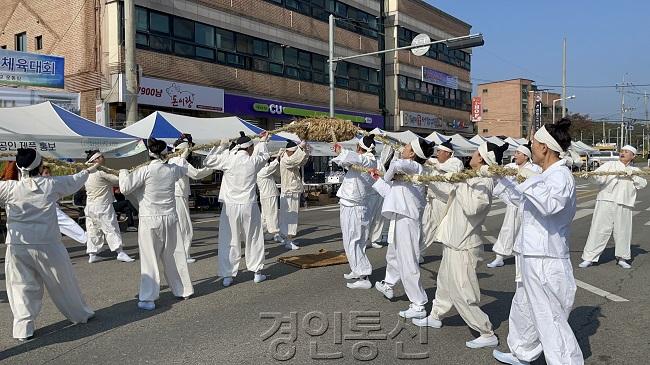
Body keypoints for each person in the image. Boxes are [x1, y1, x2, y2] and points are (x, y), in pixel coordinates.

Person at [492, 119, 584, 365]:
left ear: (545, 147)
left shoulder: (560, 176)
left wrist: (528, 180)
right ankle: (523, 351)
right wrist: (500, 178)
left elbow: (550, 205)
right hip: (531, 253)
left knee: (549, 316)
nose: (530, 147)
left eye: (533, 143)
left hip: (547, 257)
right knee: (524, 305)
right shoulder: (544, 175)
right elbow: (524, 202)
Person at [413, 142, 508, 350]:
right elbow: (449, 192)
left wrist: (461, 182)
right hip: (453, 240)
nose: (470, 156)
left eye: (474, 153)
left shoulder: (484, 180)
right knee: (444, 282)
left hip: (465, 244)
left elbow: (474, 208)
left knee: (463, 291)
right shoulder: (471, 177)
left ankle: (485, 331)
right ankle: (436, 315)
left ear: (481, 158)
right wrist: (430, 171)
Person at [2, 148, 96, 340]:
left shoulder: (9, 188)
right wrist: (89, 169)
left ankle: (23, 329)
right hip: (48, 244)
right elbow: (75, 180)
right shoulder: (50, 184)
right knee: (63, 283)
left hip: (18, 246)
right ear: (39, 166)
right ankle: (80, 314)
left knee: (20, 287)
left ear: (19, 167)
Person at [119, 138, 194, 310]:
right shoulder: (172, 169)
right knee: (175, 255)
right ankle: (184, 290)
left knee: (150, 259)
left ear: (150, 153)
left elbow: (124, 188)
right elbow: (183, 168)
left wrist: (123, 172)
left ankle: (148, 298)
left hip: (150, 219)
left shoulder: (145, 170)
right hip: (169, 218)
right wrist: (186, 151)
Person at [371, 137, 435, 319]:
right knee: (393, 254)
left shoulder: (417, 169)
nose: (403, 148)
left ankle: (418, 303)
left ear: (413, 153)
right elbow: (391, 193)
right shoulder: (407, 173)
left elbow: (398, 165)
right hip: (400, 218)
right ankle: (389, 284)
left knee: (408, 261)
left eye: (406, 147)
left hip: (408, 220)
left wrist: (388, 174)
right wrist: (377, 179)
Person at [203, 131, 270, 287]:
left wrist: (221, 147)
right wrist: (264, 141)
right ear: (249, 148)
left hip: (230, 206)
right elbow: (265, 156)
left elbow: (207, 162)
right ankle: (257, 272)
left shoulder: (228, 159)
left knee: (229, 239)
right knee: (253, 237)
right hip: (249, 205)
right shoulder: (253, 161)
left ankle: (228, 275)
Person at [580, 145, 647, 269]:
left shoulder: (635, 169)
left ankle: (622, 258)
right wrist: (590, 175)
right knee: (598, 229)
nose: (623, 153)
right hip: (606, 200)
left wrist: (632, 175)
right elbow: (598, 177)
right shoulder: (610, 165)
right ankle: (589, 258)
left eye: (626, 152)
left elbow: (643, 184)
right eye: (622, 151)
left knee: (623, 231)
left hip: (624, 202)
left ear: (632, 156)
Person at [331, 135, 378, 289]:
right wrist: (340, 152)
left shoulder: (369, 160)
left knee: (355, 240)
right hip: (348, 202)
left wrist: (342, 151)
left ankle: (363, 276)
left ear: (360, 147)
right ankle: (356, 269)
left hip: (356, 206)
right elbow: (347, 162)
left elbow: (357, 160)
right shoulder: (359, 159)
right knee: (349, 239)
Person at [487, 142, 542, 268]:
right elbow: (498, 178)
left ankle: (530, 257)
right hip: (513, 205)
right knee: (507, 230)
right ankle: (499, 257)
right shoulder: (510, 166)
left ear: (526, 156)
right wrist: (496, 171)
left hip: (528, 207)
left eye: (518, 153)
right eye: (515, 152)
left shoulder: (534, 169)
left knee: (529, 233)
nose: (515, 155)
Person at [168, 134, 214, 263]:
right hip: (179, 196)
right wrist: (212, 168)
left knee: (177, 227)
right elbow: (196, 174)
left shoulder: (171, 160)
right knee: (185, 227)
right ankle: (184, 255)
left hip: (174, 196)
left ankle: (178, 254)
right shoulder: (180, 161)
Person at [84, 150, 134, 263]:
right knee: (111, 228)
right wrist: (124, 172)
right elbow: (117, 180)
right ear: (95, 160)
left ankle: (92, 254)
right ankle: (119, 252)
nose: (103, 158)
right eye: (101, 157)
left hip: (90, 207)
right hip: (102, 205)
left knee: (93, 230)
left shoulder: (86, 172)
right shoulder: (100, 172)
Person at [419, 138, 464, 262]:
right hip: (433, 200)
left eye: (439, 151)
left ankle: (453, 254)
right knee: (427, 227)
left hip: (447, 202)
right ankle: (419, 252)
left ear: (448, 153)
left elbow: (446, 169)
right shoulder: (434, 161)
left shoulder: (455, 162)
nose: (437, 153)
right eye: (437, 151)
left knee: (443, 229)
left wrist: (430, 163)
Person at [41, 166, 88, 244]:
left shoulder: (52, 182)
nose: (49, 174)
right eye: (46, 173)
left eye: (49, 172)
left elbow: (69, 182)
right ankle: (84, 237)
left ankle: (85, 237)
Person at [279, 140, 309, 250]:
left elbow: (302, 161)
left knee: (290, 216)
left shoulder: (291, 159)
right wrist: (301, 148)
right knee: (290, 217)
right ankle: (288, 241)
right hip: (288, 192)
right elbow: (295, 159)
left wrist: (305, 150)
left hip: (292, 190)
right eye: (295, 151)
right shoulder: (286, 159)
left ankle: (288, 238)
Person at [367, 142, 395, 249]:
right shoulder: (366, 162)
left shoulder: (380, 162)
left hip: (382, 193)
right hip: (371, 193)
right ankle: (365, 239)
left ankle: (375, 239)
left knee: (380, 218)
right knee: (368, 218)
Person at [257, 153, 283, 243]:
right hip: (269, 195)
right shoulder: (262, 171)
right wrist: (277, 158)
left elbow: (277, 174)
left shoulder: (263, 171)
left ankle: (261, 233)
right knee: (273, 214)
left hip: (266, 195)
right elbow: (272, 167)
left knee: (265, 216)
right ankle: (276, 234)